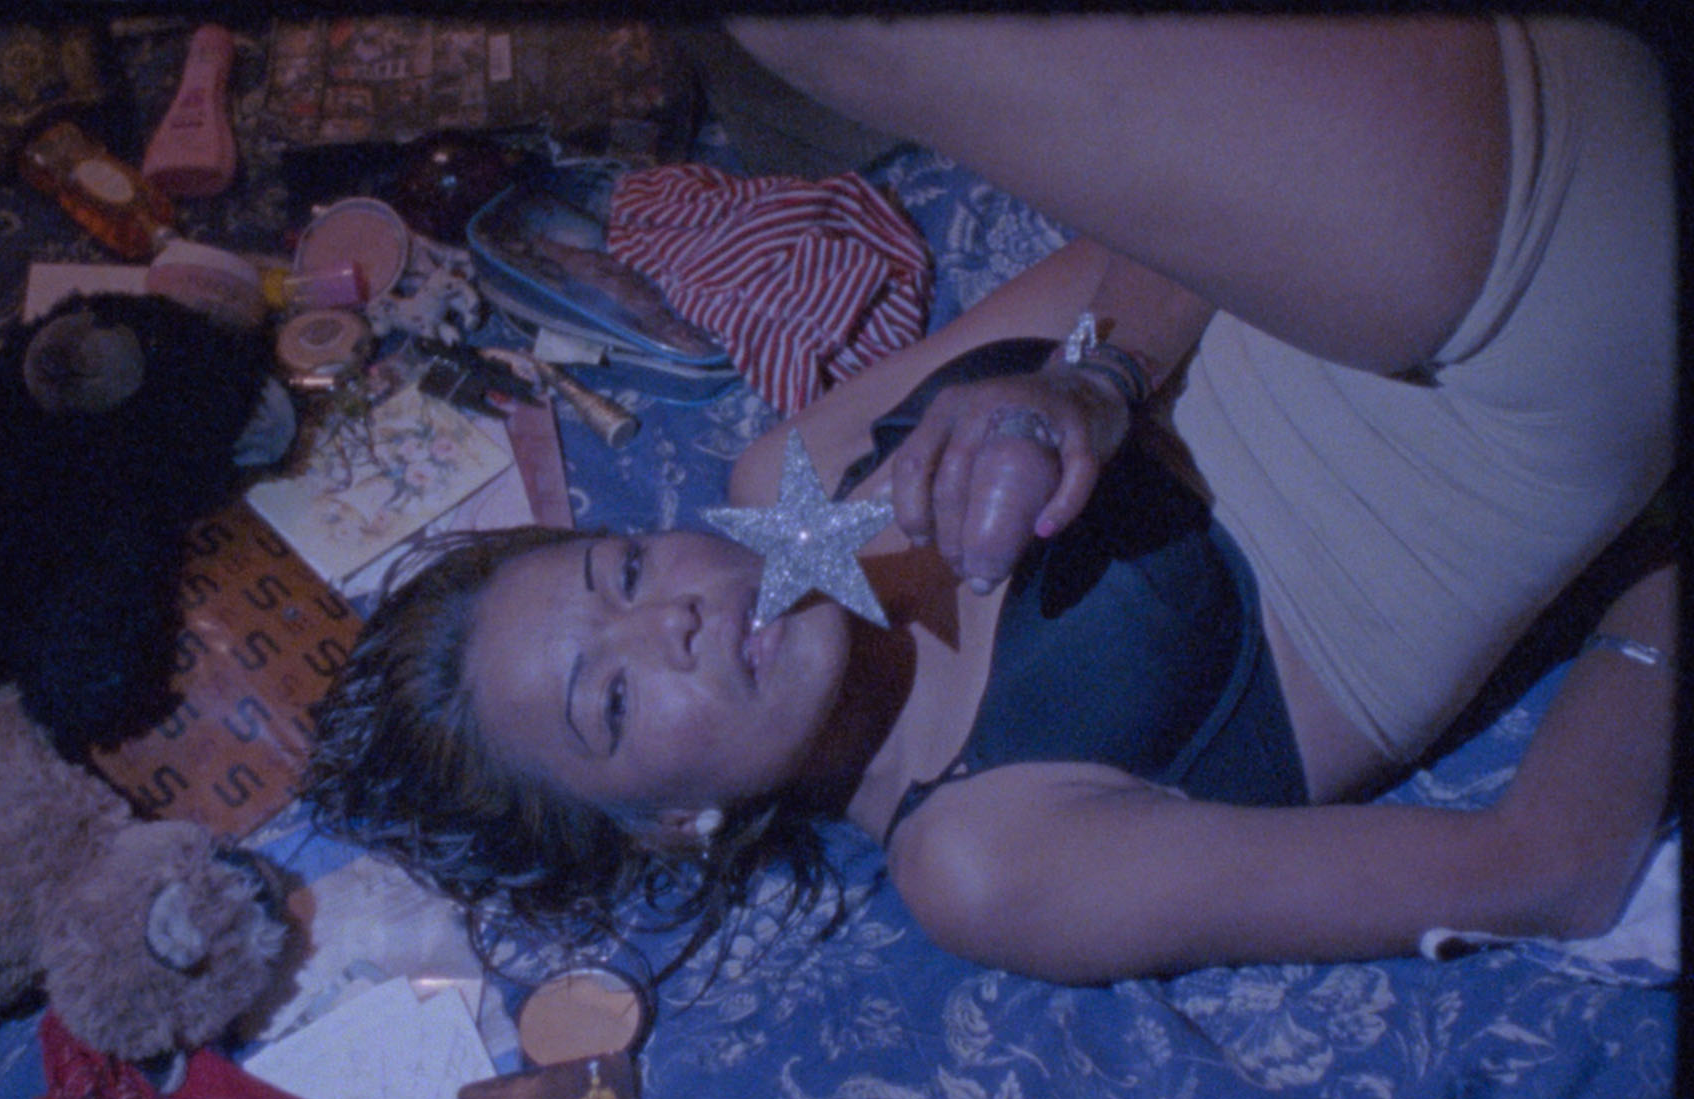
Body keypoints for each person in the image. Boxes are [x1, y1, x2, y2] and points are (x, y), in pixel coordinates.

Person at [303, 12, 1680, 983]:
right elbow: (1546, 870)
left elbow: (1165, 226)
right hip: (1525, 352)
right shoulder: (979, 861)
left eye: (620, 571)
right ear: (669, 826)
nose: (670, 620)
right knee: (838, 37)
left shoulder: (788, 473)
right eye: (608, 701)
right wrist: (1660, 569)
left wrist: (1094, 384)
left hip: (1425, 174)